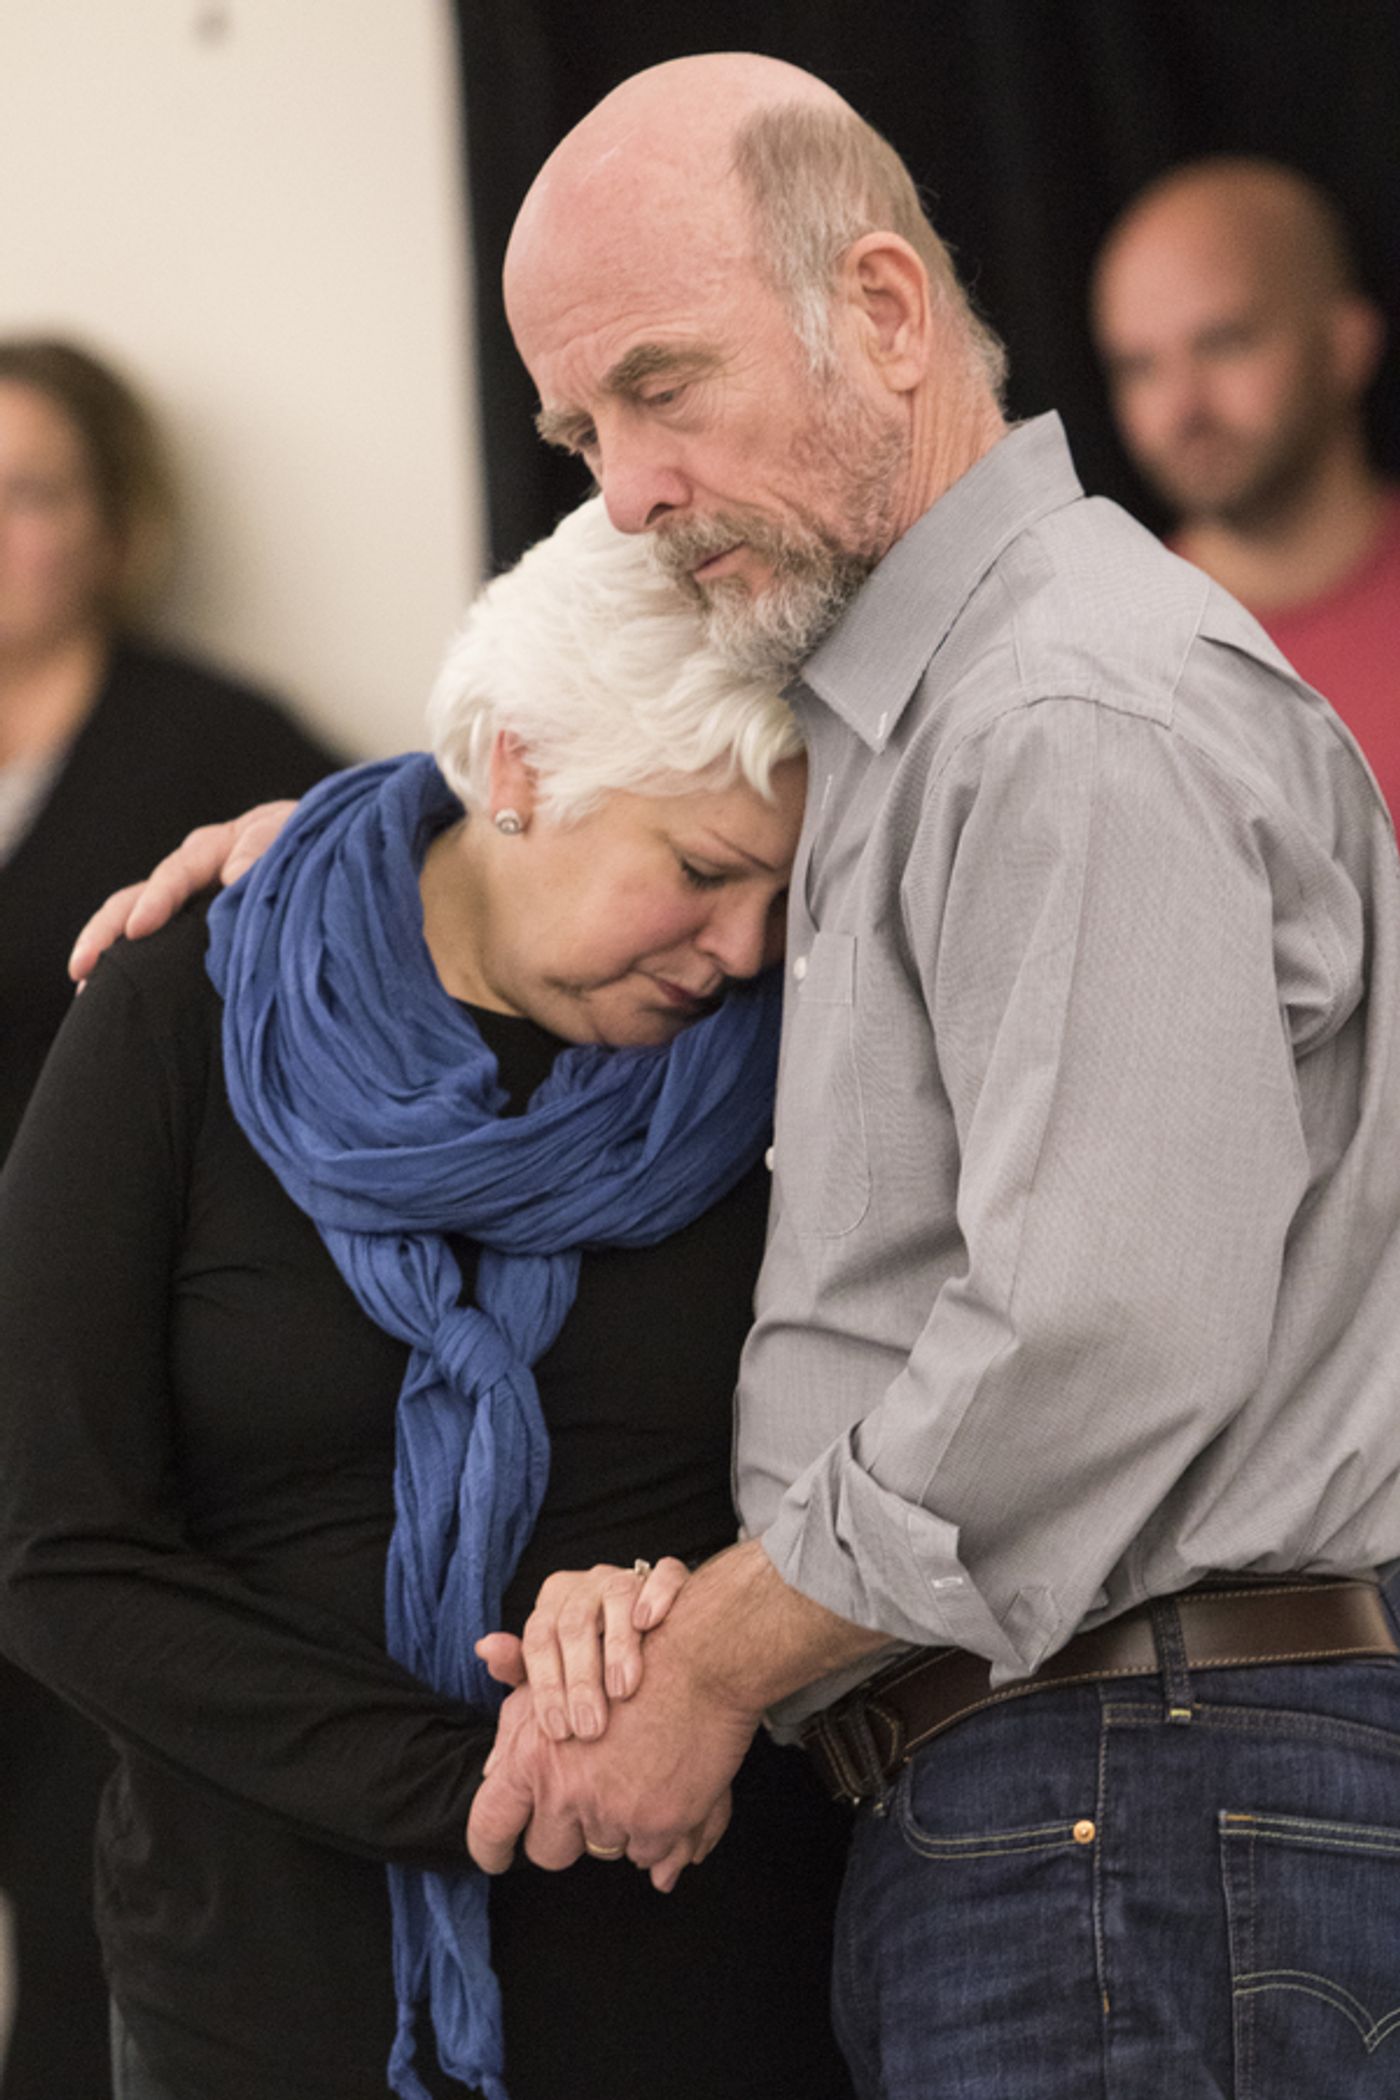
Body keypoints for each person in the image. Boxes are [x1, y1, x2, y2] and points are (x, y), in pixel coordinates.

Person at [71, 53, 1400, 2100]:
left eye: (661, 386)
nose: (622, 484)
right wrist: (325, 871)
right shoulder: (924, 721)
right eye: (580, 426)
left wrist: (705, 1655)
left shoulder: (1052, 710)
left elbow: (1102, 1332)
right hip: (1062, 1804)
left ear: (881, 312)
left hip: (1130, 1789)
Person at [0, 489, 855, 2100]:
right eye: (701, 868)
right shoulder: (189, 1012)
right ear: (520, 772)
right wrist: (479, 1781)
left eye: (783, 900)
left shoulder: (810, 1077)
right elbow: (54, 1539)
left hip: (702, 1973)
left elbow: (877, 1470)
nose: (744, 951)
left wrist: (692, 1633)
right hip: (257, 1991)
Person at [0, 335, 339, 2100]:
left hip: (107, 1430)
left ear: (114, 527)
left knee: (88, 1890)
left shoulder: (218, 755)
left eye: (30, 491)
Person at [1091, 158, 1400, 816]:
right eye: (1139, 367)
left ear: (1347, 343)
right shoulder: (1098, 663)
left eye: (1225, 343)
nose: (1184, 407)